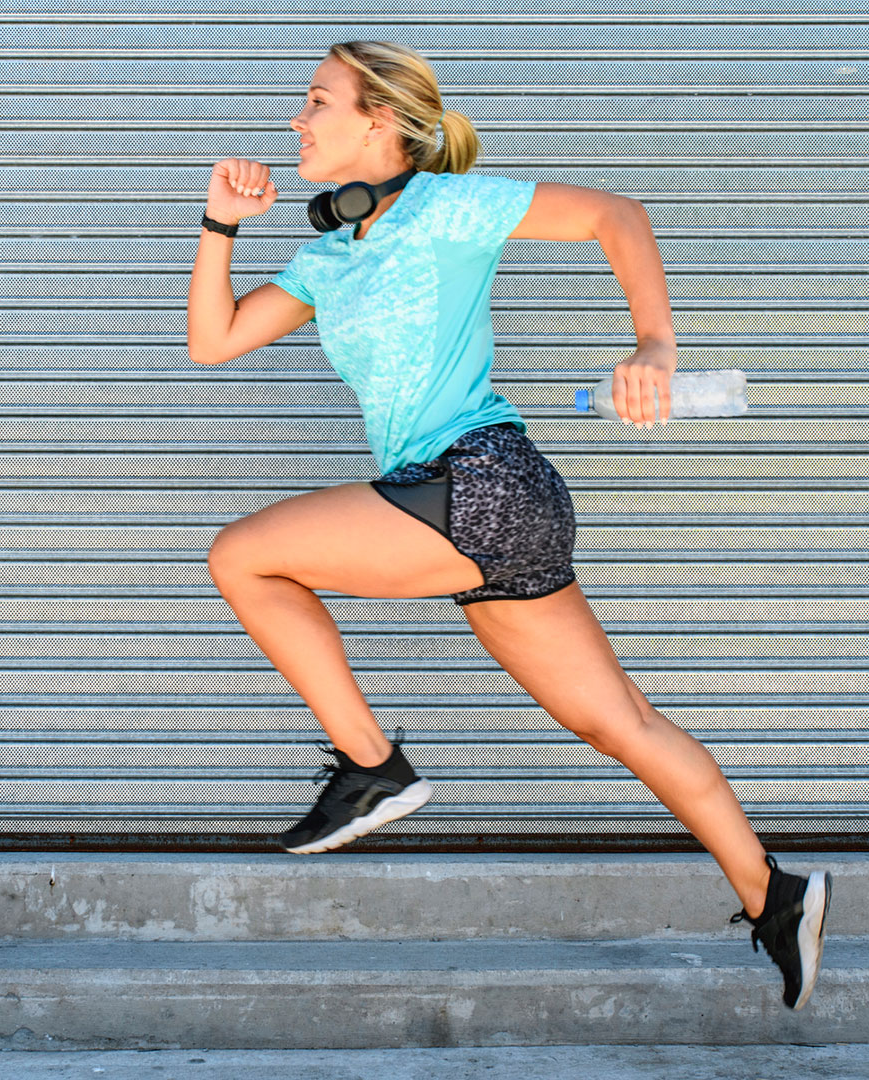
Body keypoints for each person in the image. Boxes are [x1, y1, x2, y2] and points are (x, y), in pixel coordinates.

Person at [184, 40, 830, 1010]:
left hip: (477, 481)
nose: (296, 120)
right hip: (484, 510)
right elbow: (214, 340)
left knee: (244, 558)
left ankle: (372, 768)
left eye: (317, 101)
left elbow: (619, 214)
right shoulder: (328, 257)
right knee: (622, 725)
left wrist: (653, 344)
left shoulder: (450, 206)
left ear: (383, 124)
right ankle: (774, 893)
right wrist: (219, 225)